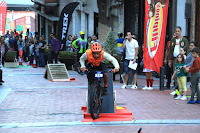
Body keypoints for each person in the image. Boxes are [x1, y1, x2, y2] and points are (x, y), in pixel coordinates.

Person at [168, 26, 189, 90]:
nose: (177, 32)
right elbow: (170, 50)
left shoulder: (184, 40)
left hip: (182, 59)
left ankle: (182, 88)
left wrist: (187, 59)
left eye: (178, 31)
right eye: (176, 31)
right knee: (176, 72)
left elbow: (187, 50)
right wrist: (169, 60)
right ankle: (176, 87)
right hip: (175, 59)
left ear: (181, 31)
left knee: (182, 73)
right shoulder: (173, 40)